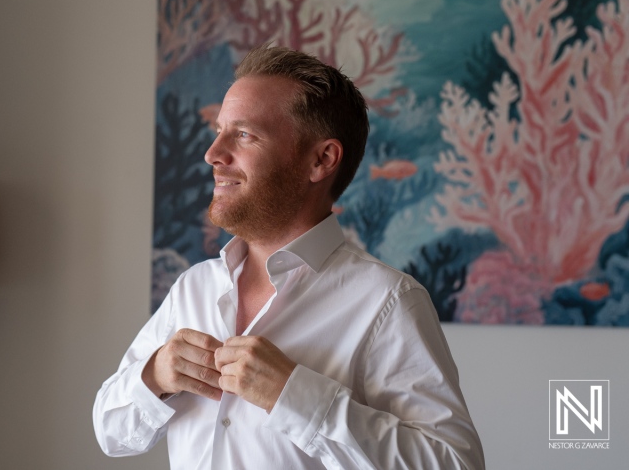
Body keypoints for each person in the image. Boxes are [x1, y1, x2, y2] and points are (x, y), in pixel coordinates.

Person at [93, 45, 485, 469]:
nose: (213, 154)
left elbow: (454, 463)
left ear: (321, 159)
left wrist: (294, 396)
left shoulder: (387, 301)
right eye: (220, 130)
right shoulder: (194, 287)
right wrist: (155, 375)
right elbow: (110, 433)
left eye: (243, 135)